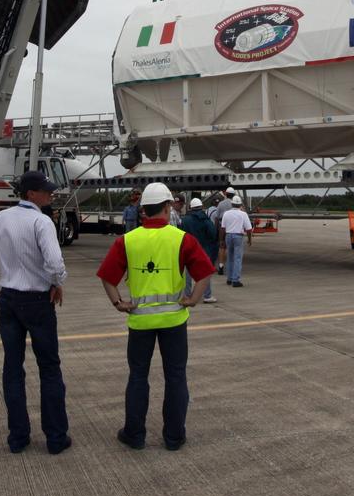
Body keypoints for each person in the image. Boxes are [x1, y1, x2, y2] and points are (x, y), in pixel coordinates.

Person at [97, 182, 214, 451]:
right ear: (167, 206)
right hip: (174, 320)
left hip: (140, 321)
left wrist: (118, 302)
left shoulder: (127, 240)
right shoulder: (181, 238)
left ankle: (134, 435)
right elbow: (204, 273)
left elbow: (107, 277)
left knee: (138, 376)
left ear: (143, 210)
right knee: (176, 377)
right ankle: (174, 437)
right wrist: (193, 299)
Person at [0, 170, 70, 455]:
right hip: (38, 301)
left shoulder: (1, 218)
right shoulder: (42, 221)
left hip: (9, 299)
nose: (50, 195)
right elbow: (54, 262)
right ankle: (55, 437)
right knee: (49, 368)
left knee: (13, 368)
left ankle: (18, 437)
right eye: (45, 191)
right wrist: (57, 283)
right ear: (31, 195)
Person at [179, 198, 218, 303]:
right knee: (205, 272)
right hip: (204, 249)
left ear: (191, 208)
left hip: (188, 250)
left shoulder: (185, 220)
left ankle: (187, 295)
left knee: (187, 274)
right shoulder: (206, 219)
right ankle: (207, 295)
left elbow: (181, 234)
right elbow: (213, 234)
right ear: (201, 207)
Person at [222, 194, 253, 287]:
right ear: (240, 205)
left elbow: (222, 228)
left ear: (232, 204)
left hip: (228, 235)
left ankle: (229, 278)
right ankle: (236, 280)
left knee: (230, 258)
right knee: (237, 258)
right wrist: (249, 239)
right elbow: (248, 229)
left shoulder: (226, 213)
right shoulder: (243, 214)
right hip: (238, 236)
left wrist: (222, 240)